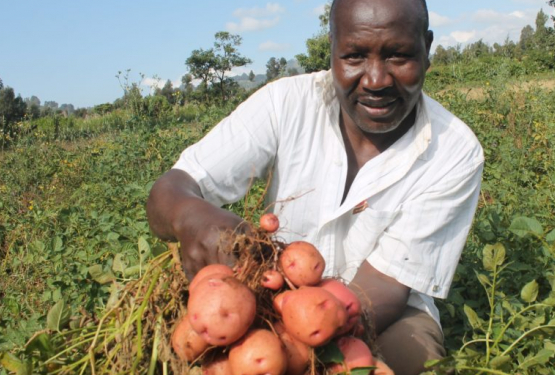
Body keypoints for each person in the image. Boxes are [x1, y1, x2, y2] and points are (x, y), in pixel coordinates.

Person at [146, 0, 484, 373]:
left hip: (386, 311)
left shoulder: (453, 150)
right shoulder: (284, 104)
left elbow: (384, 288)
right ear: (332, 49)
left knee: (404, 361)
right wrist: (191, 216)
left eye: (398, 56)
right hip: (270, 293)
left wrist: (300, 340)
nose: (375, 80)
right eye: (354, 56)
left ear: (427, 48)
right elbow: (171, 189)